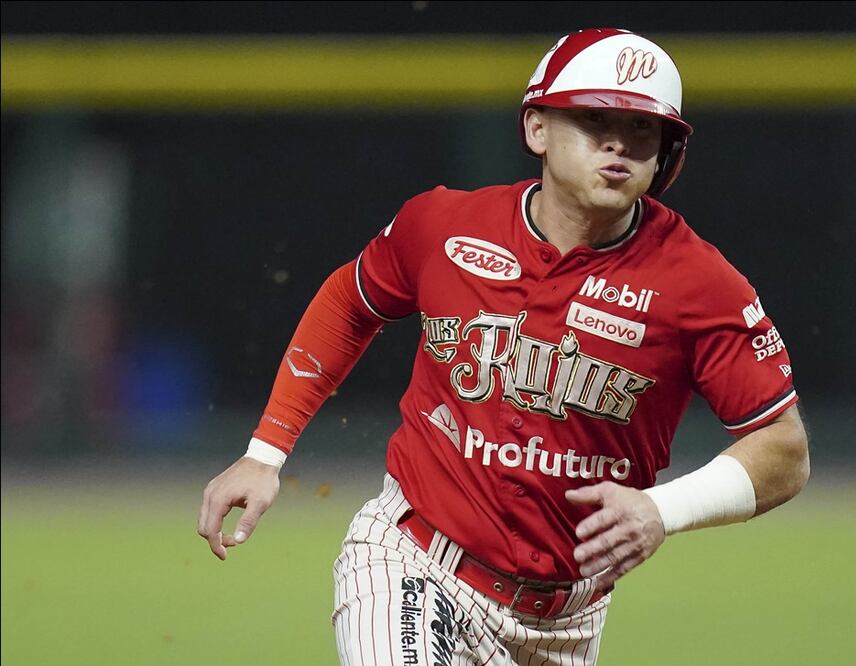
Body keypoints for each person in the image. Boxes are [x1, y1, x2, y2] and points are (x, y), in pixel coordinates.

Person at [197, 27, 809, 665]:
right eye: (594, 117)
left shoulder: (699, 284)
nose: (618, 142)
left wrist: (663, 508)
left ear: (667, 155)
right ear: (537, 129)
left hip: (567, 623)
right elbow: (350, 303)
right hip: (414, 565)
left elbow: (785, 452)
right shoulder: (442, 225)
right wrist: (264, 454)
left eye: (643, 129)